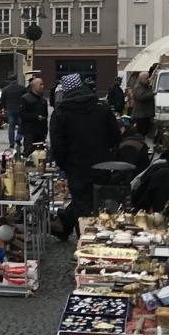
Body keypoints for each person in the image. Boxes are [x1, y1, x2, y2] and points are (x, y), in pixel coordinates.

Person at [49, 72, 121, 237]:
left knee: (81, 209)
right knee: (102, 207)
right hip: (102, 166)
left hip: (76, 168)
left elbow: (57, 146)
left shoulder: (60, 113)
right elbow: (115, 136)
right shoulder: (101, 107)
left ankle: (85, 245)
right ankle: (102, 241)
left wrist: (65, 166)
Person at [18, 75, 50, 153]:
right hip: (29, 130)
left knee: (40, 153)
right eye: (40, 84)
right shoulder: (25, 98)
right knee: (28, 151)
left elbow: (45, 115)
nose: (42, 86)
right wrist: (36, 117)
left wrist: (45, 130)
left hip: (40, 131)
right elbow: (22, 113)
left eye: (42, 84)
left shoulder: (43, 100)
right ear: (33, 86)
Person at [0, 77, 26, 148]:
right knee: (21, 125)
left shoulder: (6, 89)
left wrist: (5, 108)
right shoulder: (22, 88)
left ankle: (11, 143)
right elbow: (26, 98)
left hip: (10, 109)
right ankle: (18, 138)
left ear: (9, 80)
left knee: (11, 126)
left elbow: (2, 100)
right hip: (20, 108)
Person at [129, 70, 157, 137]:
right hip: (140, 115)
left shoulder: (147, 87)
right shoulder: (137, 87)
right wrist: (152, 93)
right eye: (146, 78)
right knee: (141, 132)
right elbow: (141, 97)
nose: (148, 80)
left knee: (145, 131)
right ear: (141, 79)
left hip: (147, 114)